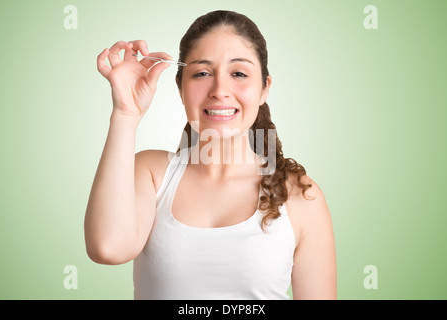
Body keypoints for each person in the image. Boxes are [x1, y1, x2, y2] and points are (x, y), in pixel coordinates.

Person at [85, 10, 336, 300]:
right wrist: (125, 114)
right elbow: (108, 247)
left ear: (264, 88)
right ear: (180, 87)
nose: (220, 90)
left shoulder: (299, 196)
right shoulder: (152, 173)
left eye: (239, 73)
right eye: (202, 73)